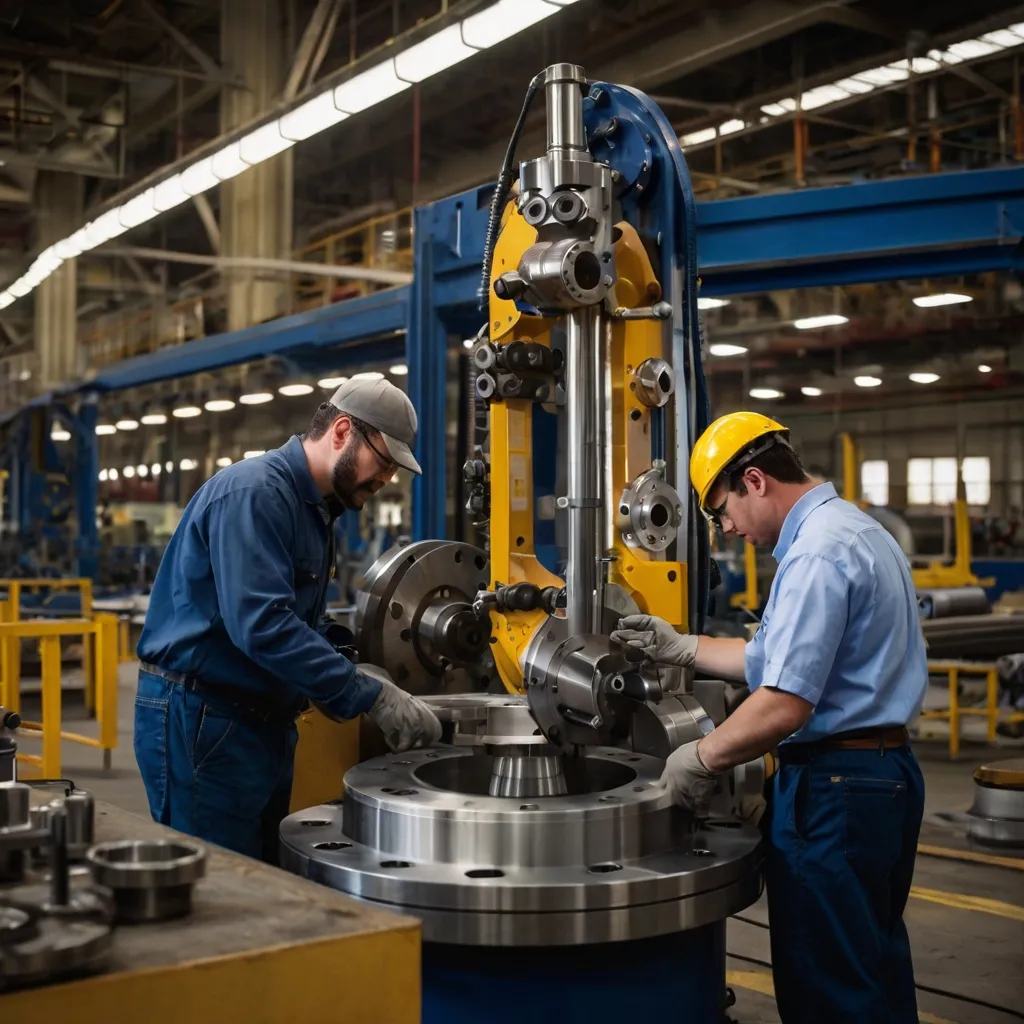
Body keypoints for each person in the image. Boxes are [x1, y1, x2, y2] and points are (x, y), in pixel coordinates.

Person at [611, 412, 927, 1024]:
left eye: (720, 510)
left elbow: (786, 700)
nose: (726, 528)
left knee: (827, 988)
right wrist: (682, 644)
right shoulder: (856, 531)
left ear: (754, 480)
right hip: (883, 778)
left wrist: (702, 757)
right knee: (873, 964)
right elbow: (771, 661)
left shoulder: (816, 556)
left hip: (835, 791)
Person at [134, 378, 441, 863]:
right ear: (342, 431)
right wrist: (369, 694)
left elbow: (295, 619)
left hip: (258, 721)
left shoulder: (314, 510)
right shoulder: (255, 493)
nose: (386, 480)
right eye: (384, 463)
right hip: (204, 720)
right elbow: (262, 625)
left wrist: (346, 659)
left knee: (261, 876)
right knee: (223, 883)